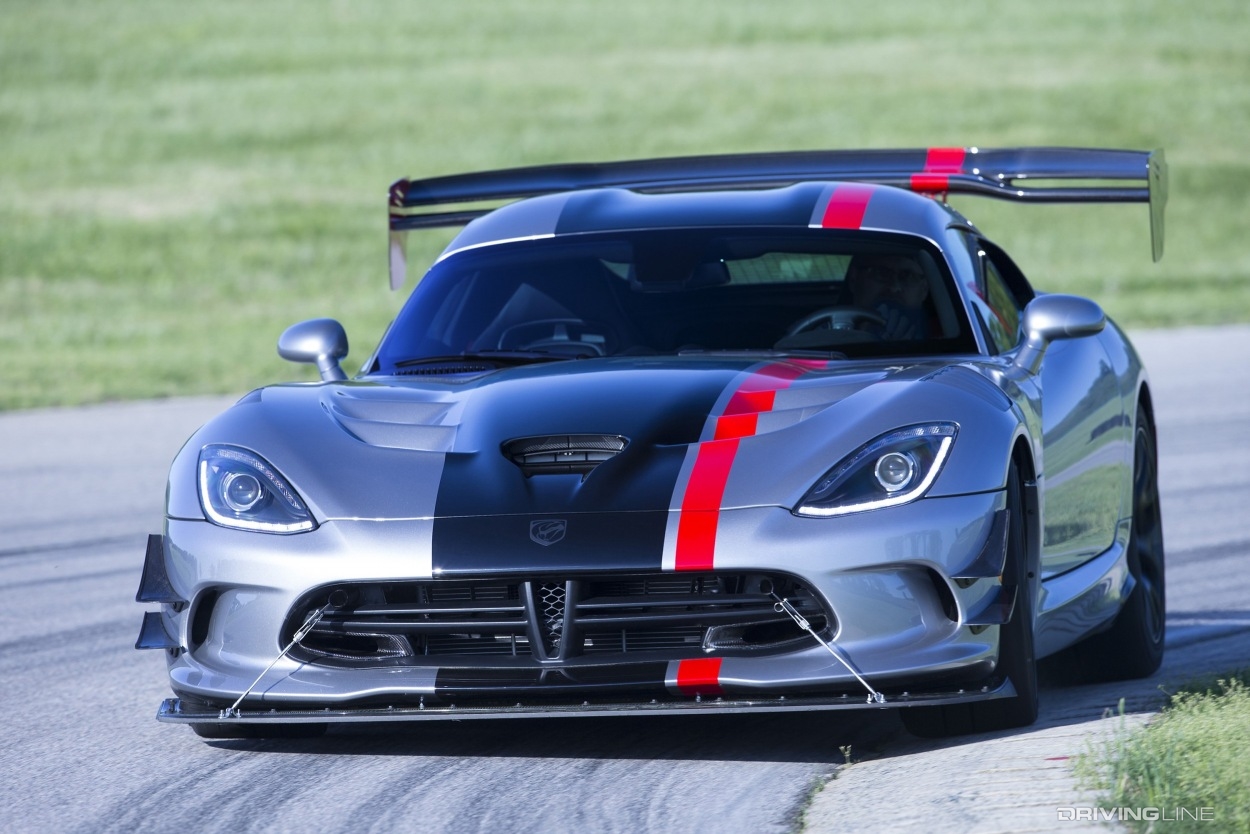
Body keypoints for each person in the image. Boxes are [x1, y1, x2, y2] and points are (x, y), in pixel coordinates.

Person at [844, 253, 930, 340]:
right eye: (881, 273)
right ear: (853, 279)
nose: (894, 288)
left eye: (907, 276)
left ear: (924, 288)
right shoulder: (832, 338)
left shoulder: (941, 340)